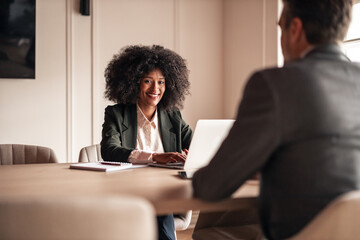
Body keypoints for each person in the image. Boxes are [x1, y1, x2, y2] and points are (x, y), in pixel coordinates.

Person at [192, 0, 360, 239]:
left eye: (281, 27)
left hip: (298, 233)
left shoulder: (274, 84)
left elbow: (210, 187)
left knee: (208, 232)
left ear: (295, 29)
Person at [100, 45, 192, 240]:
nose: (155, 89)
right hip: (128, 190)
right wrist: (156, 157)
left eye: (161, 82)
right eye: (148, 81)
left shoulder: (173, 116)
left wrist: (193, 153)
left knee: (160, 205)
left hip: (166, 191)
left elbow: (195, 144)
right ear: (134, 83)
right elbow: (109, 150)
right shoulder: (116, 114)